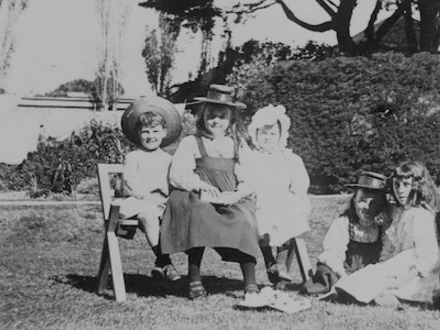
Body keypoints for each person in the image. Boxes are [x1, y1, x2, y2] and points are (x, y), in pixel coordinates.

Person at [159, 85, 262, 302]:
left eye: (222, 117)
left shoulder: (237, 144)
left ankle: (250, 283)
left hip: (229, 195)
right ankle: (194, 278)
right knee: (197, 213)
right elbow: (178, 174)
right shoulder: (191, 142)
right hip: (200, 194)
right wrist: (198, 185)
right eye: (211, 116)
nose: (216, 121)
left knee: (244, 218)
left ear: (231, 120)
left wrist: (237, 194)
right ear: (203, 117)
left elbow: (250, 177)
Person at [328, 161, 440, 306]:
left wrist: (401, 280)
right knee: (372, 274)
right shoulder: (402, 211)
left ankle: (393, 297)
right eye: (397, 185)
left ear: (416, 186)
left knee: (382, 281)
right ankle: (350, 292)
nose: (400, 191)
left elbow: (427, 257)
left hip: (415, 269)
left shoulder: (421, 215)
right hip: (402, 262)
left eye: (406, 185)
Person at [118, 96, 184, 282]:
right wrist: (148, 197)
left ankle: (162, 263)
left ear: (164, 132)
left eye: (155, 131)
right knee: (147, 212)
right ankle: (164, 261)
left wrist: (167, 199)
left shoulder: (168, 159)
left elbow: (172, 184)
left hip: (160, 204)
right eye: (145, 132)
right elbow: (128, 186)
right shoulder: (134, 157)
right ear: (139, 133)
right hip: (137, 202)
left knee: (167, 213)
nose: (150, 136)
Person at [246, 104, 310, 286]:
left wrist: (296, 197)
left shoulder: (289, 158)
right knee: (261, 223)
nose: (267, 138)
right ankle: (269, 260)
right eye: (264, 133)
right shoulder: (251, 157)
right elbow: (246, 180)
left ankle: (280, 263)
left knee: (292, 218)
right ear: (256, 133)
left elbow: (300, 182)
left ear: (280, 136)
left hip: (282, 200)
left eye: (272, 134)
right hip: (259, 202)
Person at [303, 171, 389, 295]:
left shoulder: (383, 226)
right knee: (326, 270)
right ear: (354, 201)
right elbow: (333, 253)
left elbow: (386, 257)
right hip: (344, 272)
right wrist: (343, 275)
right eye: (362, 201)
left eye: (374, 203)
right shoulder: (344, 222)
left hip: (370, 273)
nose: (367, 208)